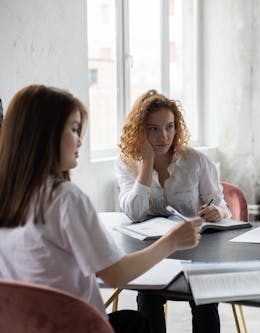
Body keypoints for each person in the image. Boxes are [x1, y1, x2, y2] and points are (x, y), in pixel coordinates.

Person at [0, 85, 202, 333]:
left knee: (135, 320)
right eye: (74, 129)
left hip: (29, 326)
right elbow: (116, 274)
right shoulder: (64, 198)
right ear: (44, 135)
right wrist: (172, 241)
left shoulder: (9, 196)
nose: (80, 140)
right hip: (77, 326)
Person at [115, 89, 230, 333]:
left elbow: (220, 203)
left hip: (195, 252)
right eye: (153, 129)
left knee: (204, 297)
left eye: (169, 127)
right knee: (148, 297)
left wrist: (218, 212)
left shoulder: (196, 161)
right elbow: (134, 212)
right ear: (139, 131)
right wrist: (146, 163)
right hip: (152, 252)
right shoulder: (127, 163)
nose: (163, 136)